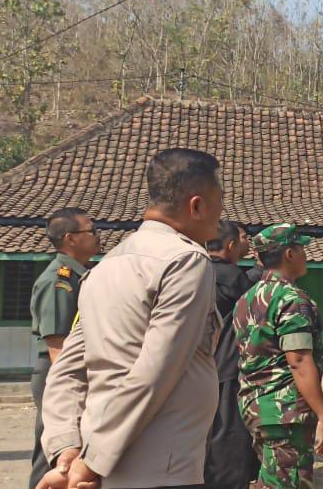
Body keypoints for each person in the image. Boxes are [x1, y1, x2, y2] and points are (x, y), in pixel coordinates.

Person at [38, 148, 224, 489]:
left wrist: (66, 448)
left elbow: (66, 370)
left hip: (105, 459)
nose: (222, 213)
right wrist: (90, 464)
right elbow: (155, 370)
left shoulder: (104, 267)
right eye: (219, 201)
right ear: (196, 205)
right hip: (161, 467)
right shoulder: (185, 261)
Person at [235, 223, 323, 488]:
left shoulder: (246, 300)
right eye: (301, 248)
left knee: (272, 480)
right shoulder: (292, 300)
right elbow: (299, 360)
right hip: (286, 412)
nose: (306, 254)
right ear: (289, 254)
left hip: (256, 408)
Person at [27, 208, 100, 489]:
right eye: (91, 231)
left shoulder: (80, 275)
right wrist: (72, 387)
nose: (97, 237)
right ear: (70, 238)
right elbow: (57, 345)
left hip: (70, 371)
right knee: (55, 452)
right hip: (60, 373)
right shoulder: (60, 280)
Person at [204, 220, 261, 489]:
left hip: (197, 367)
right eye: (242, 238)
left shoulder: (196, 271)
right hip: (229, 367)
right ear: (230, 245)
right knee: (230, 434)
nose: (246, 243)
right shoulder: (235, 278)